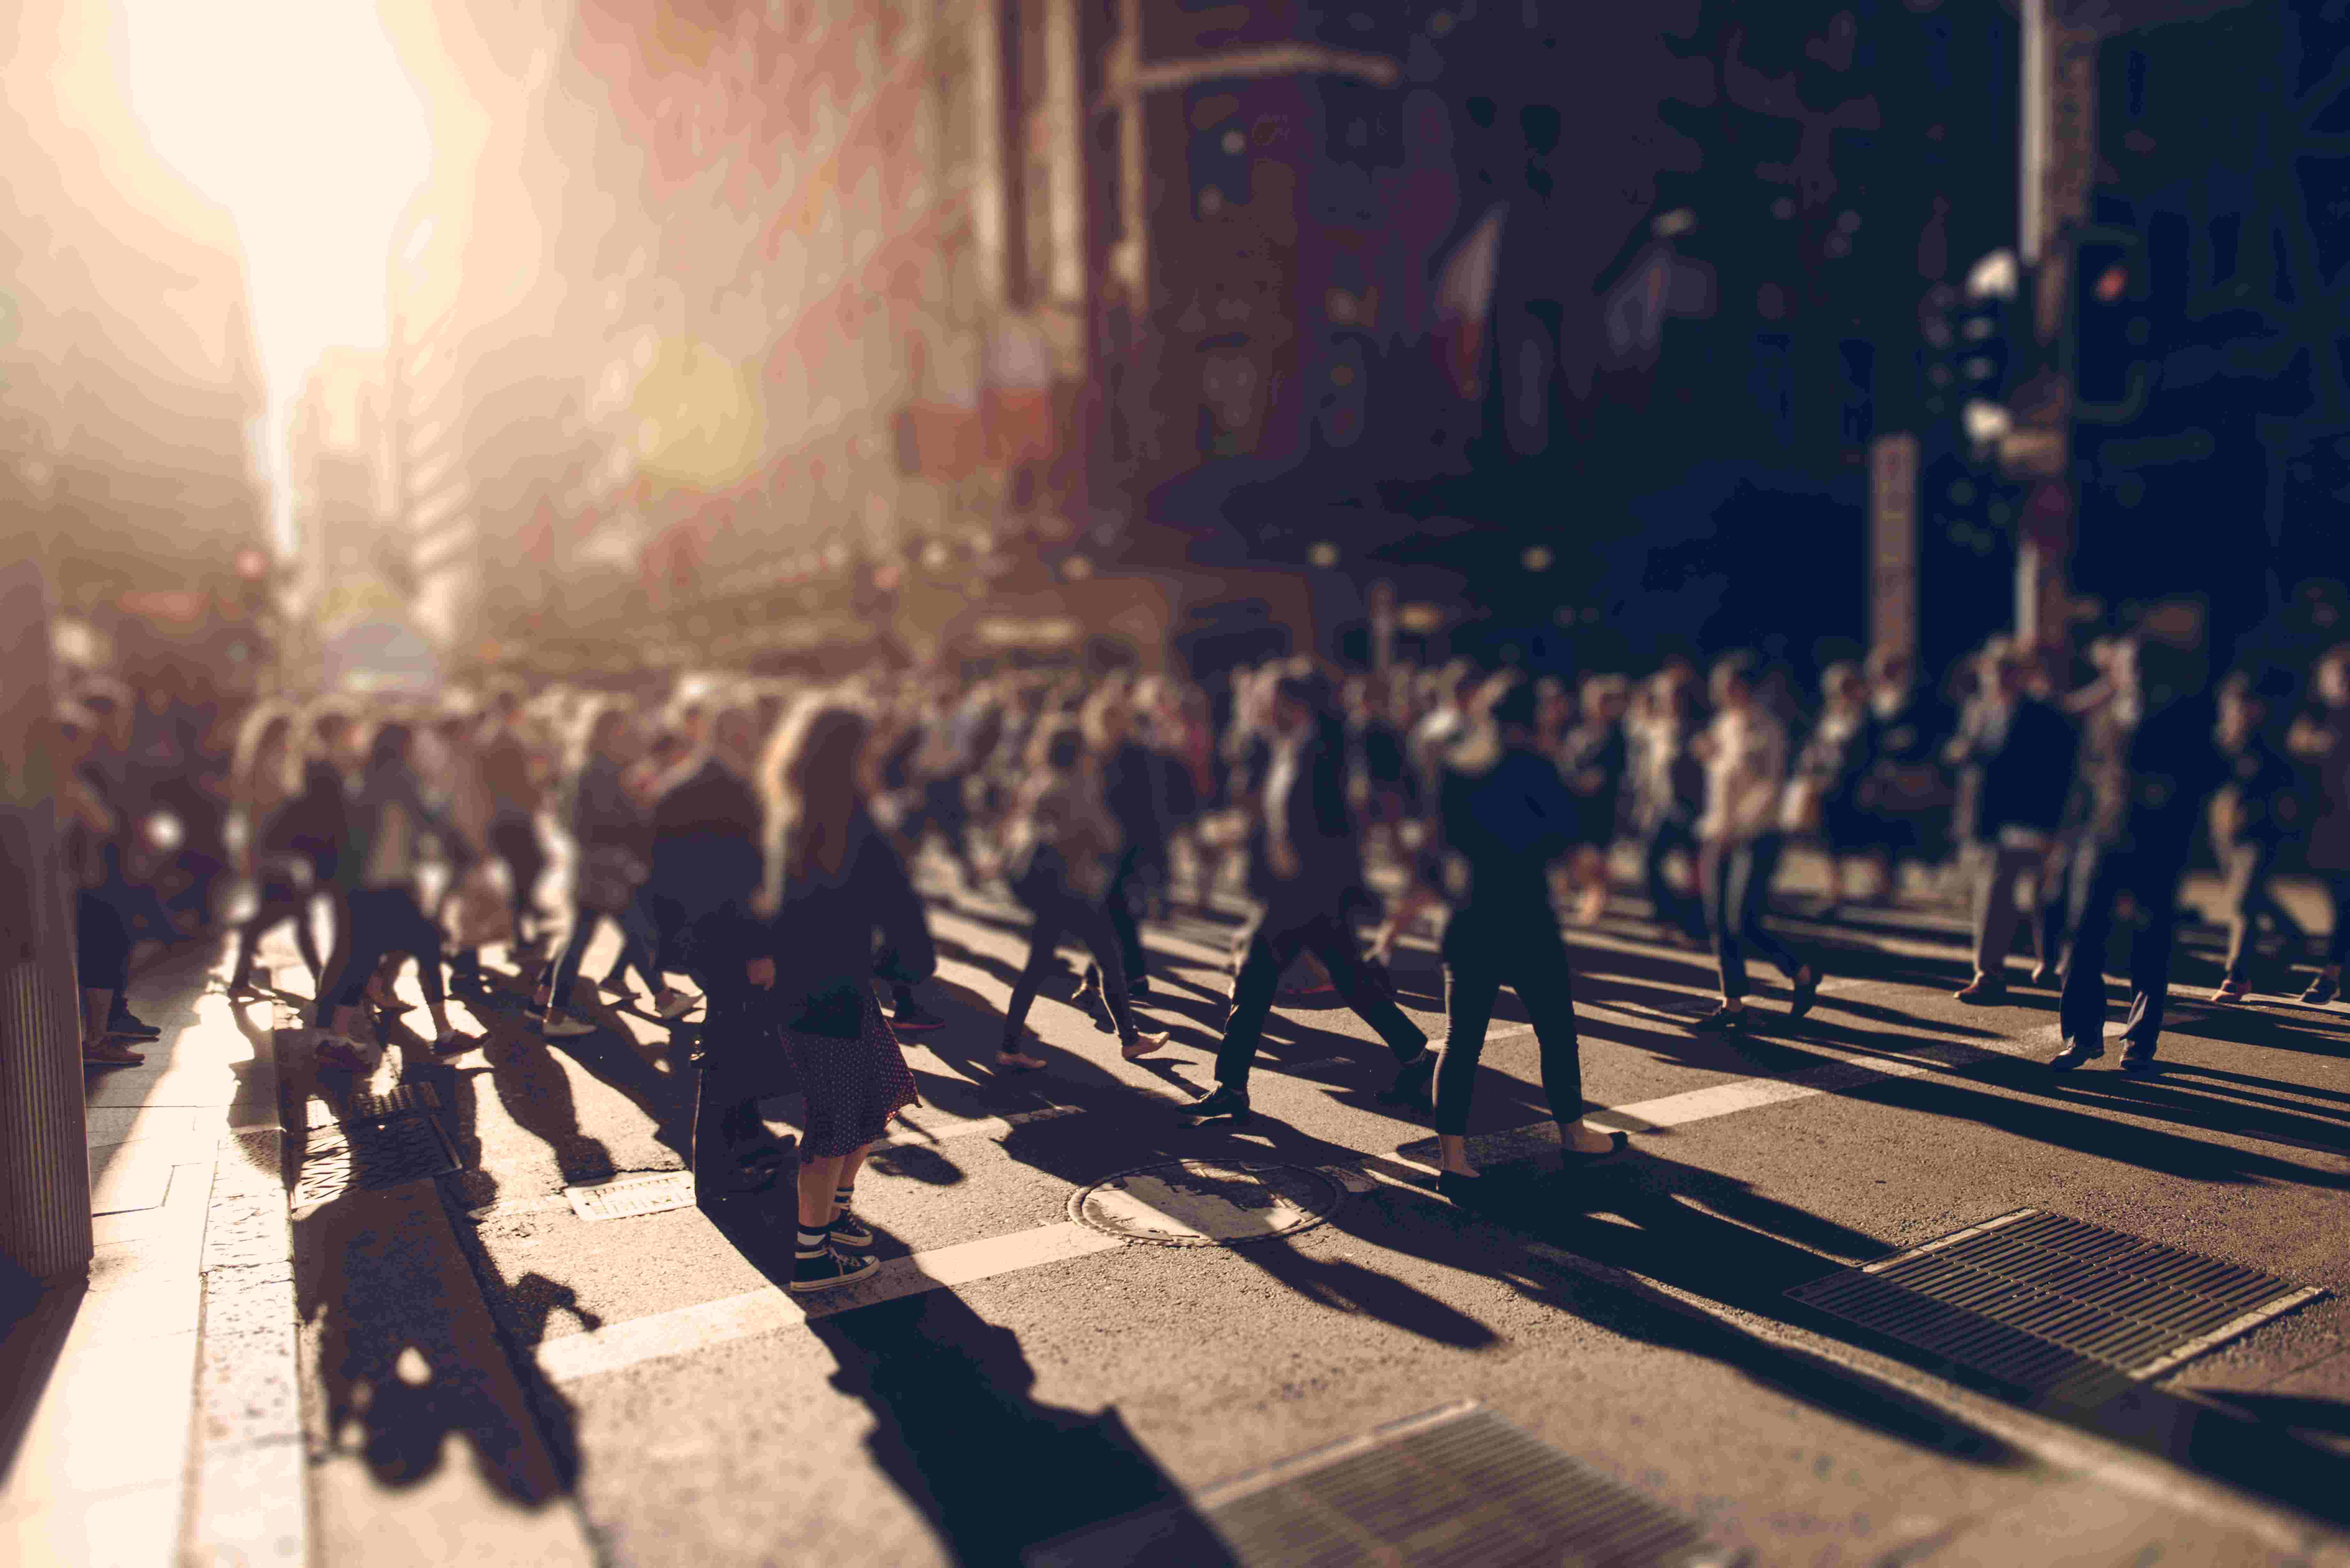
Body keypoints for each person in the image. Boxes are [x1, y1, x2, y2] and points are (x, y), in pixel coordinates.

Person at [1391, 675, 1628, 1202]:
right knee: (1555, 1029)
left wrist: (1404, 915)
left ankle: (1453, 1160)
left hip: (1466, 917)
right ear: (1534, 718)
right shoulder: (1537, 768)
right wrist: (1597, 883)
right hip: (1525, 918)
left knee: (1461, 1039)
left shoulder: (1456, 766)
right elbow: (1568, 841)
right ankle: (1574, 1134)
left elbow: (1432, 844)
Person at [740, 697, 935, 1293]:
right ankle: (813, 1256)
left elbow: (771, 911)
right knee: (834, 1128)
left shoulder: (793, 817)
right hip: (832, 998)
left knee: (875, 1101)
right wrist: (904, 964)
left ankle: (838, 1214)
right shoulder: (856, 827)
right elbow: (901, 917)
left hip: (816, 994)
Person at [1185, 666, 1431, 1122]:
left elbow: (1338, 820)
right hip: (1299, 891)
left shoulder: (1324, 748)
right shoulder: (1292, 743)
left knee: (1257, 980)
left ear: (1295, 704)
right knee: (1349, 980)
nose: (1265, 704)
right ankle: (1416, 1055)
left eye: (1271, 696)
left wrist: (1309, 866)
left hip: (1307, 890)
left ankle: (1231, 1087)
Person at [2051, 629, 2227, 1072]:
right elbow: (2082, 780)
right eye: (2128, 664)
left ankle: (2140, 1043)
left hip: (2158, 843)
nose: (2135, 673)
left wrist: (2169, 800)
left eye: (2141, 665)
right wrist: (2064, 840)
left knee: (2151, 944)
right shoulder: (2103, 714)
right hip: (2100, 837)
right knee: (2080, 935)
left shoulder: (2183, 715)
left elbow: (2210, 773)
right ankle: (2082, 1036)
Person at [995, 716, 1170, 1070]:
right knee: (1107, 961)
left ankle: (1011, 1045)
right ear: (1078, 751)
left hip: (1049, 887)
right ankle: (1130, 1040)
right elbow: (1104, 836)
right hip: (1074, 888)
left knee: (1049, 965)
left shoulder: (1040, 783)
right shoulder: (1075, 787)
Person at [314, 721, 470, 1061]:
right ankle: (444, 1035)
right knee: (423, 947)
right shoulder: (399, 779)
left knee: (365, 958)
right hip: (384, 886)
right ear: (402, 749)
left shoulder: (366, 780)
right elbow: (431, 820)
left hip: (369, 886)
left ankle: (338, 1039)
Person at [1691, 652, 1820, 1031]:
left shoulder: (1769, 729)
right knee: (1719, 921)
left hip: (1756, 834)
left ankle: (1800, 970)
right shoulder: (1722, 725)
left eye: (1726, 684)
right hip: (1719, 832)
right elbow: (1719, 784)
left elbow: (1769, 786)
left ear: (1743, 686)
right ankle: (1732, 1003)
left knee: (1741, 920)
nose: (1719, 691)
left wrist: (1738, 827)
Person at [1944, 641, 2078, 1003]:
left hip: (2033, 821)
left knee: (2041, 897)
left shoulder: (2044, 714)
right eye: (1992, 674)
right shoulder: (1978, 712)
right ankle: (1988, 974)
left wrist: (2054, 829)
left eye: (2005, 673)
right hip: (1990, 821)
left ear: (2019, 676)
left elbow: (2059, 773)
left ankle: (2050, 962)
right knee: (1993, 895)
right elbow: (1968, 757)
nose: (1997, 681)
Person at [539, 699, 669, 1037]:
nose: (626, 735)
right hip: (607, 868)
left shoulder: (584, 768)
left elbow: (568, 819)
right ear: (607, 733)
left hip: (590, 867)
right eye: (621, 729)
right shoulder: (604, 772)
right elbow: (617, 819)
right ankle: (664, 997)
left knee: (583, 938)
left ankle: (555, 1012)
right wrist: (642, 808)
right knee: (636, 933)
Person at [2210, 668, 2309, 1002]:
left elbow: (2287, 786)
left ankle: (2236, 976)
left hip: (2261, 831)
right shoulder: (2222, 740)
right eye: (2235, 704)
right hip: (2225, 829)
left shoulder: (2271, 741)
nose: (2241, 710)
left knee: (2243, 901)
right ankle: (2293, 934)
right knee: (2250, 896)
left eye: (2246, 704)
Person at [222, 705, 325, 999]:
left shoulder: (259, 763)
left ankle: (242, 977)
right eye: (289, 732)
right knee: (295, 914)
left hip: (270, 848)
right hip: (272, 849)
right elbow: (272, 809)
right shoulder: (269, 765)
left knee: (284, 912)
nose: (293, 737)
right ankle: (320, 978)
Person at [1787, 663, 1881, 912]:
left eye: (1842, 688)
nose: (1838, 694)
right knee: (1831, 840)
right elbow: (1817, 746)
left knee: (1864, 836)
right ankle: (1835, 890)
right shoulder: (1828, 717)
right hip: (1829, 786)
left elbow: (1869, 752)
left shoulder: (1864, 716)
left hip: (1856, 785)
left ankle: (1879, 886)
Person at [2286, 644, 2350, 1006]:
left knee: (2345, 904)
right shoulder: (2316, 719)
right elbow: (2299, 751)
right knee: (2340, 899)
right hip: (2329, 827)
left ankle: (2330, 974)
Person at [1629, 668, 1708, 943]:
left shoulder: (1698, 730)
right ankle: (1667, 916)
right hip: (1662, 809)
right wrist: (1644, 805)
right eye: (1663, 696)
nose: (1668, 700)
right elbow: (1649, 773)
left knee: (1694, 875)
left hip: (1692, 810)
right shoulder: (1656, 729)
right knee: (1650, 863)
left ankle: (1695, 927)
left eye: (1673, 695)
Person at [476, 686, 551, 955]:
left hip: (507, 814)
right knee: (529, 868)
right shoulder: (505, 738)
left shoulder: (493, 736)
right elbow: (519, 779)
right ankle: (520, 929)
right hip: (512, 815)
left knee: (527, 869)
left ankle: (523, 921)